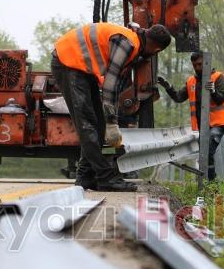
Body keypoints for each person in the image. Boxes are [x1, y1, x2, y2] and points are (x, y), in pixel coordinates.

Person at [52, 22, 171, 191]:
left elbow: (114, 88)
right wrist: (112, 122)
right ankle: (107, 178)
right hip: (68, 61)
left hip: (81, 68)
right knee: (87, 125)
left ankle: (85, 177)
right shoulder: (127, 44)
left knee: (98, 125)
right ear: (156, 49)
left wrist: (108, 120)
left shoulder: (133, 41)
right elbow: (110, 84)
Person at [157, 51, 224, 180]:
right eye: (195, 65)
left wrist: (213, 91)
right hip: (203, 126)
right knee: (204, 155)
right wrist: (168, 87)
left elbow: (220, 99)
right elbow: (178, 97)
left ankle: (210, 184)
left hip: (218, 123)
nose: (197, 67)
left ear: (207, 63)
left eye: (200, 64)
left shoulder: (218, 77)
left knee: (207, 152)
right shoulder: (191, 81)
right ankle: (209, 183)